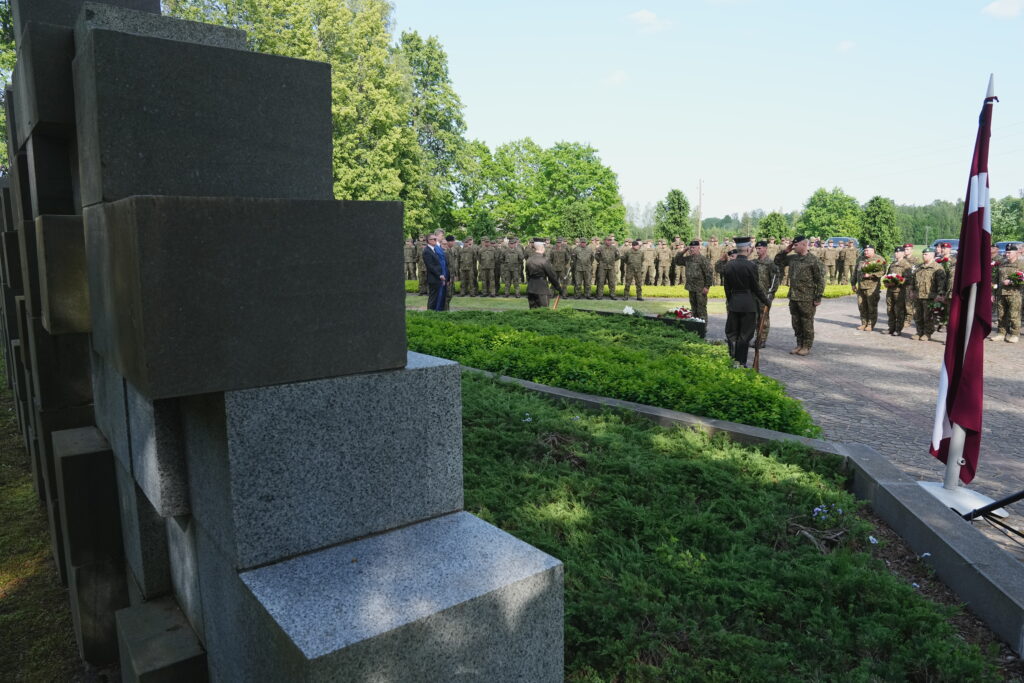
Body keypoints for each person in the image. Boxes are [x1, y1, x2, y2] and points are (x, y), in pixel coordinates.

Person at [721, 238, 769, 368]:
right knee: (745, 335)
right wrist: (766, 301)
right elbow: (756, 287)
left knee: (732, 334)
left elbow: (726, 288)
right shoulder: (751, 266)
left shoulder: (728, 266)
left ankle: (732, 361)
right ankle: (741, 363)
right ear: (748, 249)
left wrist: (731, 300)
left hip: (734, 303)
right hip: (748, 304)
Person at [774, 235, 825, 356]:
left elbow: (820, 280)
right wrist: (786, 251)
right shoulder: (793, 258)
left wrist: (818, 297)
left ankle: (806, 346)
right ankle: (799, 344)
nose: (794, 247)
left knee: (806, 323)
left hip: (807, 297)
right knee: (796, 323)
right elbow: (777, 262)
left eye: (796, 245)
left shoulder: (813, 260)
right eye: (793, 245)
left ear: (804, 245)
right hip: (794, 296)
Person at [910, 248, 946, 341]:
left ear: (932, 255)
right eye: (923, 254)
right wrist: (912, 290)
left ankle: (927, 333)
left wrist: (940, 295)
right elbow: (913, 280)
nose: (923, 256)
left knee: (928, 316)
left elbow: (941, 283)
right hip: (918, 295)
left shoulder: (937, 267)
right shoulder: (919, 267)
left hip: (930, 296)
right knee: (917, 315)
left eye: (926, 254)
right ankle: (919, 332)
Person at [753, 240, 781, 348]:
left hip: (765, 295)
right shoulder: (754, 262)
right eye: (756, 248)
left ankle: (762, 339)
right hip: (754, 294)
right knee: (755, 318)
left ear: (765, 249)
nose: (758, 250)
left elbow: (774, 281)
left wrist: (770, 295)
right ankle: (757, 338)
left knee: (763, 317)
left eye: (760, 248)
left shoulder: (770, 264)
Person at [991, 243, 1022, 343]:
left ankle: (1014, 334)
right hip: (1001, 293)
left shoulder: (1021, 264)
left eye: (1009, 252)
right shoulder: (1002, 263)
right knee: (1001, 315)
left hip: (1015, 293)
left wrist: (1012, 282)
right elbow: (995, 280)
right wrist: (993, 293)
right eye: (1006, 252)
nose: (1007, 254)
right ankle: (1001, 333)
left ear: (1016, 252)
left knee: (1014, 315)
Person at [852, 244, 886, 331]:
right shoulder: (860, 258)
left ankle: (871, 324)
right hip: (861, 287)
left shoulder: (879, 259)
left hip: (872, 287)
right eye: (865, 250)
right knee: (861, 306)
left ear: (873, 250)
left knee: (872, 307)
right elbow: (855, 271)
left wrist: (871, 275)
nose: (865, 252)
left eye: (868, 250)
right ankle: (864, 323)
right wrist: (853, 283)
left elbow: (882, 272)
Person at [525, 241, 566, 308]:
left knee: (532, 311)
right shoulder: (544, 261)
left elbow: (527, 274)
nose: (545, 248)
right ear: (541, 248)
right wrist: (559, 288)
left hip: (530, 288)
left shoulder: (529, 259)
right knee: (543, 311)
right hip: (542, 289)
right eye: (544, 246)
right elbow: (552, 276)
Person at [679, 240, 713, 321]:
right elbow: (677, 261)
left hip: (700, 289)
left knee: (701, 309)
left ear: (698, 248)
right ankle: (695, 327)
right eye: (690, 248)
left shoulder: (703, 259)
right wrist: (684, 250)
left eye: (693, 248)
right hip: (691, 287)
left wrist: (707, 287)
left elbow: (709, 274)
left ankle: (703, 328)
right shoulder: (688, 259)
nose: (692, 249)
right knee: (693, 309)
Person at [885, 247, 913, 336]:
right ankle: (891, 328)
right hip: (890, 290)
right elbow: (888, 275)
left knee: (899, 310)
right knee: (890, 309)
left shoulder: (906, 264)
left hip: (900, 291)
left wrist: (898, 281)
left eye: (898, 252)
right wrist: (886, 282)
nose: (896, 254)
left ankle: (898, 329)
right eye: (895, 252)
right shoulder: (892, 264)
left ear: (903, 253)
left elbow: (909, 279)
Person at [422, 234, 449, 311]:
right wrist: (439, 275)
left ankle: (436, 312)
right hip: (434, 278)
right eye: (433, 239)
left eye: (435, 239)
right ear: (428, 241)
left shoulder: (434, 250)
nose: (435, 240)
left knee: (437, 297)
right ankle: (430, 313)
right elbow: (430, 266)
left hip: (438, 277)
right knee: (433, 297)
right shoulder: (427, 251)